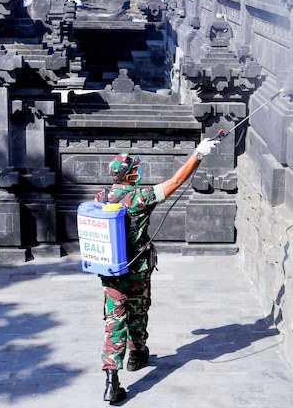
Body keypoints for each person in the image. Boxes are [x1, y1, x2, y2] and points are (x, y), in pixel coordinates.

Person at [95, 138, 219, 404]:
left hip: (111, 271)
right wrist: (197, 154)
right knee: (138, 310)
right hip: (137, 270)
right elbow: (175, 183)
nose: (138, 173)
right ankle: (137, 354)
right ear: (129, 175)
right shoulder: (141, 197)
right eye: (135, 171)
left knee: (114, 321)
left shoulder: (101, 197)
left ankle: (111, 381)